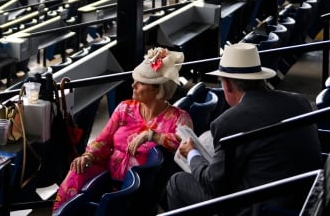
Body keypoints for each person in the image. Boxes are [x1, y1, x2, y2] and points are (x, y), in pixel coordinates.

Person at [165, 43, 321, 213]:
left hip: (261, 207)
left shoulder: (229, 122)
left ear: (228, 85)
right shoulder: (300, 102)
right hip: (308, 198)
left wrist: (192, 154)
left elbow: (213, 185)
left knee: (177, 183)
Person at [53, 48, 192, 211]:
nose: (133, 85)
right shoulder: (125, 108)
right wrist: (88, 156)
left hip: (137, 189)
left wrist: (152, 136)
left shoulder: (179, 118)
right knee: (77, 171)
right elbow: (103, 141)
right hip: (108, 174)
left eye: (140, 82)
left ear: (158, 89)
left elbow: (186, 147)